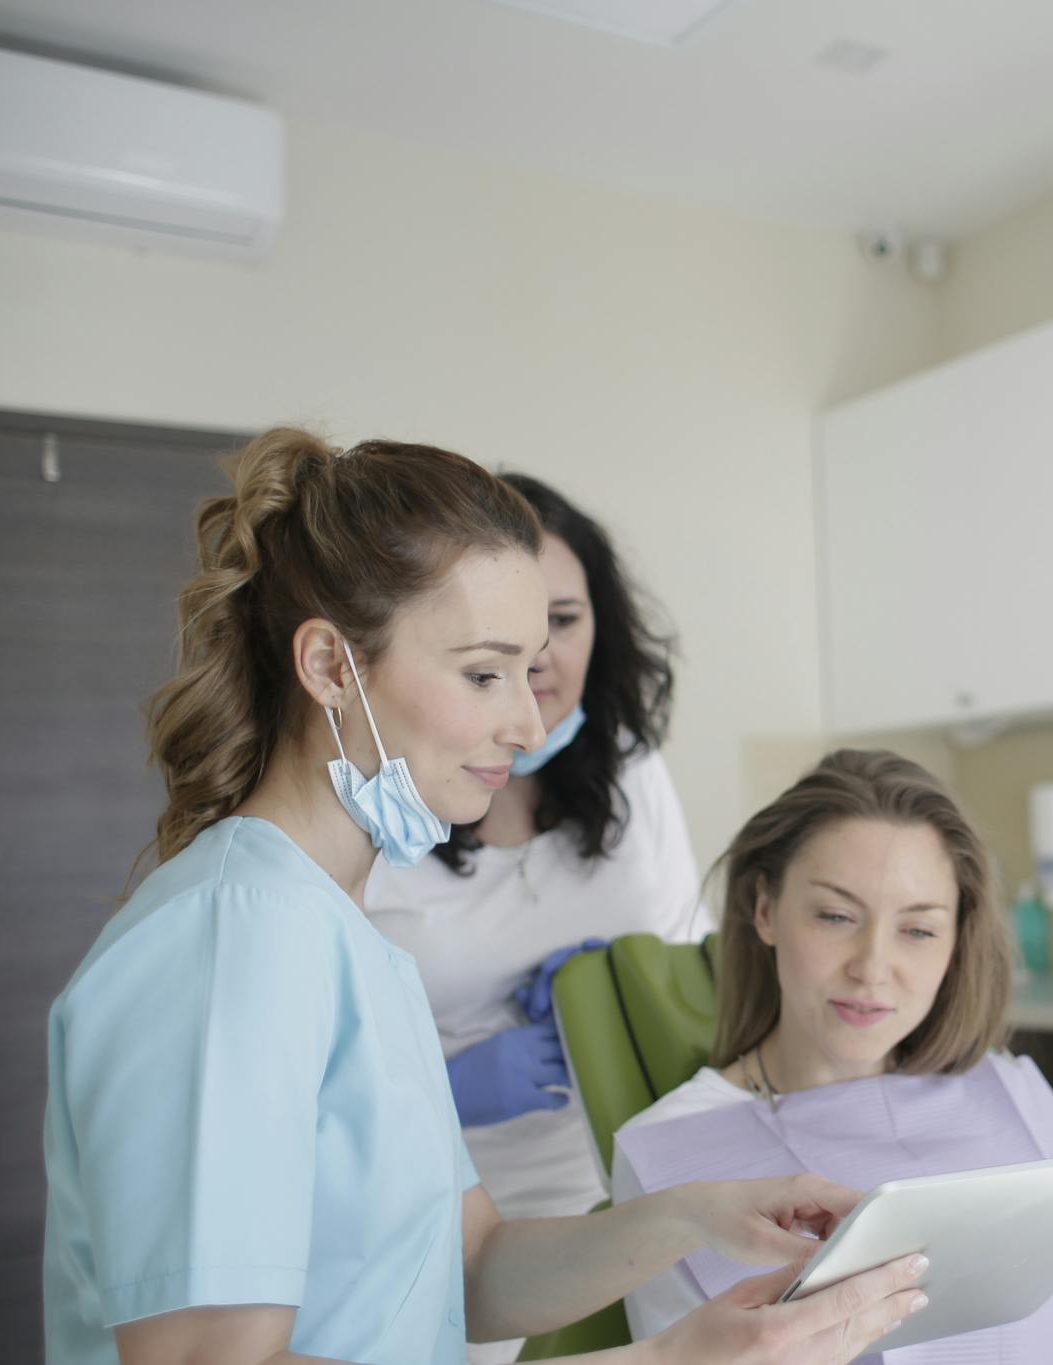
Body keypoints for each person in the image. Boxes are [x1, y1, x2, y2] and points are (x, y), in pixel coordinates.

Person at [41, 430, 928, 1365]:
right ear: (332, 667)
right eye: (483, 673)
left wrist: (701, 1212)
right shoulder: (231, 940)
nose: (529, 719)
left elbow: (469, 1267)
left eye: (531, 666)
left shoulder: (348, 937)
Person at [609, 749, 1053, 1362]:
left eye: (919, 929)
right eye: (835, 915)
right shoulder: (671, 1152)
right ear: (766, 910)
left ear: (958, 939)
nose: (873, 968)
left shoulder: (1012, 1091)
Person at [365, 475, 704, 1363]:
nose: (537, 657)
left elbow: (690, 957)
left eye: (564, 618)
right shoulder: (387, 808)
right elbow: (327, 1073)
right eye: (499, 644)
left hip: (631, 1181)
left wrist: (628, 978)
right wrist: (451, 1086)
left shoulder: (632, 771)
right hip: (451, 1204)